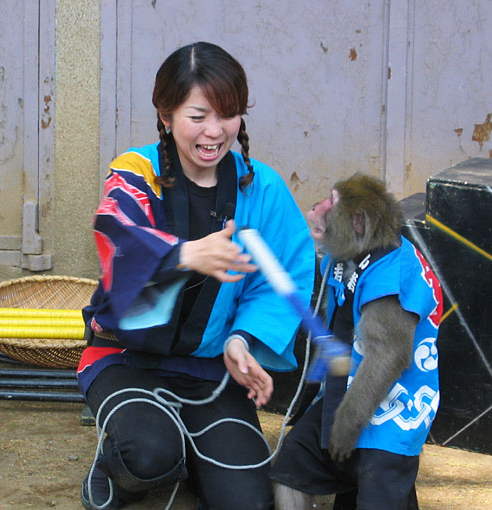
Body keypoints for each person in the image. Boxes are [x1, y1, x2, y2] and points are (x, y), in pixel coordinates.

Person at [77, 41, 315, 510]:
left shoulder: (261, 187)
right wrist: (184, 254)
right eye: (197, 115)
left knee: (247, 502)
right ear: (165, 116)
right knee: (148, 455)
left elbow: (283, 275)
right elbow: (115, 236)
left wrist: (243, 340)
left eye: (228, 115)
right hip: (126, 360)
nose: (215, 131)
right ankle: (120, 467)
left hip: (211, 370)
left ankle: (185, 458)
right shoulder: (135, 172)